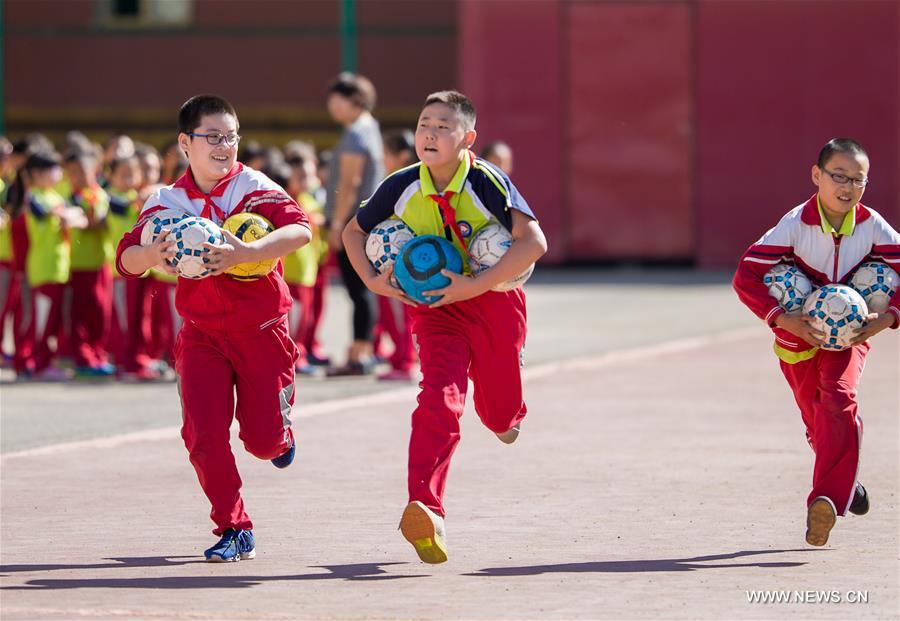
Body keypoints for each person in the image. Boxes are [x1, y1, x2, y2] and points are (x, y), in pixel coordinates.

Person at [341, 90, 548, 563]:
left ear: (467, 138)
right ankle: (425, 508)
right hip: (435, 306)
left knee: (498, 415)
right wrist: (374, 281)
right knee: (438, 396)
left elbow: (534, 242)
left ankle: (507, 415)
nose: (430, 133)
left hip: (493, 299)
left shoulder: (486, 181)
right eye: (424, 124)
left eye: (443, 127)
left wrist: (474, 286)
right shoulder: (399, 185)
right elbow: (352, 233)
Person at [116, 94, 312, 562]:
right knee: (202, 434)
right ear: (186, 143)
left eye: (231, 136)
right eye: (213, 137)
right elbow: (126, 260)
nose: (225, 146)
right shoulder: (166, 201)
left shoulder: (253, 186)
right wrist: (152, 255)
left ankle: (278, 436)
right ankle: (233, 524)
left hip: (262, 328)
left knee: (261, 443)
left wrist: (247, 252)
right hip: (201, 334)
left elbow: (301, 230)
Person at [733, 138, 900, 547]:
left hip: (850, 335)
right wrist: (781, 317)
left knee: (839, 401)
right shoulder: (794, 225)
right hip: (798, 332)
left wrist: (889, 316)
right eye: (838, 176)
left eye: (857, 180)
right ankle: (847, 482)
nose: (847, 187)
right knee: (816, 421)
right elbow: (746, 276)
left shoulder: (872, 226)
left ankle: (825, 499)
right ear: (817, 176)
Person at [324, 72, 384, 376]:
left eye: (335, 100)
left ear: (353, 100)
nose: (331, 106)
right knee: (364, 289)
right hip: (369, 221)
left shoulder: (356, 135)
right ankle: (365, 349)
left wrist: (337, 224)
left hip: (353, 224)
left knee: (358, 289)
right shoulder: (371, 129)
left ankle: (359, 354)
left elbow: (350, 184)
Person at [65, 149, 115, 376]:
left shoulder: (99, 195)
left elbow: (99, 222)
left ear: (94, 170)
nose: (77, 177)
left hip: (100, 262)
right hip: (78, 264)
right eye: (72, 173)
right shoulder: (68, 197)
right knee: (80, 315)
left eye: (82, 171)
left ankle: (97, 354)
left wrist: (81, 220)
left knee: (100, 312)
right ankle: (83, 359)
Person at [373, 129, 417, 381]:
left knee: (399, 312)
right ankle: (403, 355)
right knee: (393, 311)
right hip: (392, 258)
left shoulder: (401, 183)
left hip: (397, 259)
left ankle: (404, 361)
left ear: (401, 156)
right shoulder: (402, 180)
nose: (383, 160)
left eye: (386, 155)